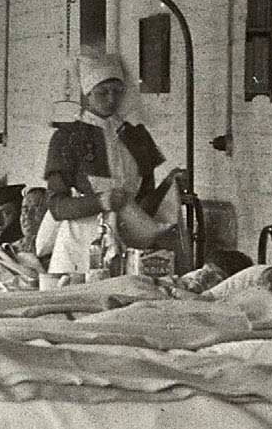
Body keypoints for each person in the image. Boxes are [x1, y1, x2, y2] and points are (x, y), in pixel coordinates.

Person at [40, 46, 180, 275]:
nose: (111, 98)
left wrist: (168, 185)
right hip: (79, 248)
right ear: (87, 93)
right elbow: (57, 207)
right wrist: (101, 201)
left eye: (117, 91)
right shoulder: (66, 138)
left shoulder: (136, 136)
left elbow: (145, 206)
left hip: (128, 244)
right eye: (102, 92)